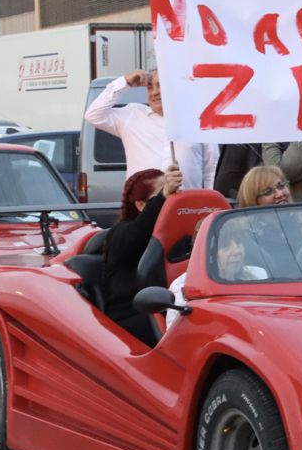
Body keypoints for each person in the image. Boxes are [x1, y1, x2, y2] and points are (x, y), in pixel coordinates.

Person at [84, 69, 218, 190]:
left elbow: (211, 169)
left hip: (186, 207)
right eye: (149, 87)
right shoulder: (133, 115)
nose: (154, 92)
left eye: (161, 86)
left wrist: (210, 204)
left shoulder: (198, 121)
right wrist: (125, 82)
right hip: (144, 207)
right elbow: (93, 115)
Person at [102, 165, 183, 344]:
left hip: (172, 308)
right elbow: (140, 231)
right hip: (132, 315)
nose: (171, 203)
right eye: (163, 198)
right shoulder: (121, 233)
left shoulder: (176, 232)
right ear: (141, 205)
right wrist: (164, 195)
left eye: (174, 197)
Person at [167, 218, 266, 330]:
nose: (237, 251)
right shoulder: (182, 287)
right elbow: (177, 337)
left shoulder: (259, 275)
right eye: (225, 246)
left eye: (238, 243)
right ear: (206, 252)